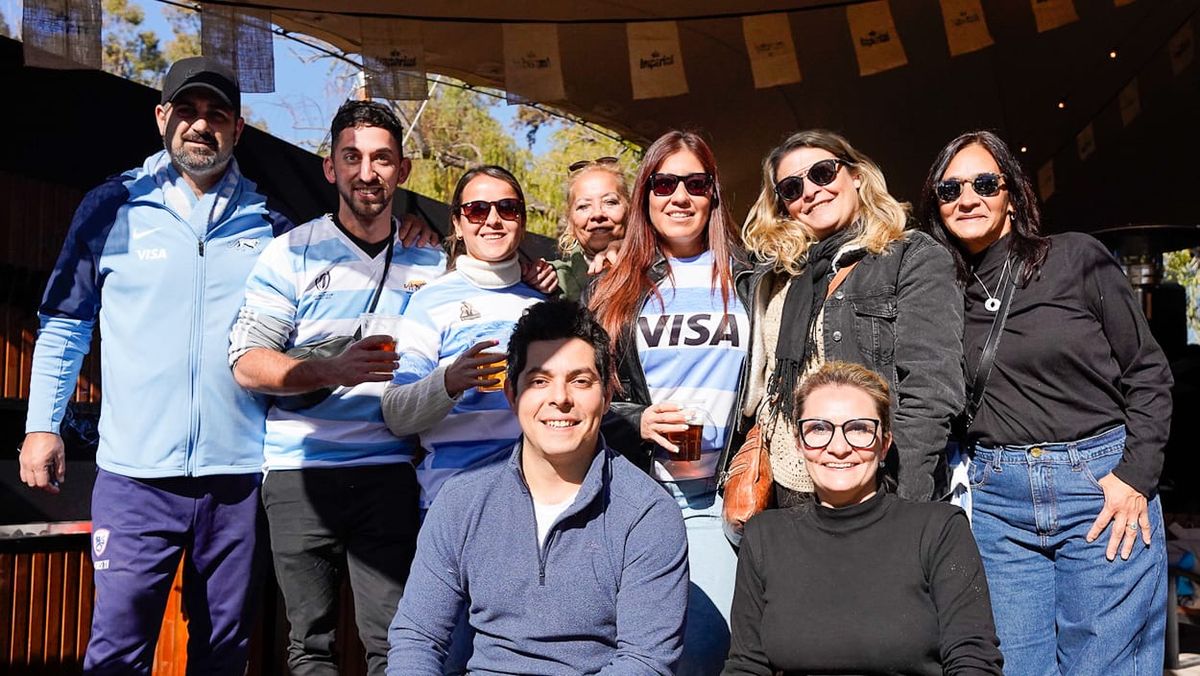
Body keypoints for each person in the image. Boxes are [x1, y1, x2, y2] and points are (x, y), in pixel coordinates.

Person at [15, 57, 284, 674]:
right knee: (117, 651)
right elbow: (65, 325)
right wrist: (40, 426)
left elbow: (330, 296)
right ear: (162, 117)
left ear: (238, 129)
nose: (200, 125)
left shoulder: (271, 225)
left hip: (238, 477)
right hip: (135, 479)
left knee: (224, 653)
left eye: (217, 114)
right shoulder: (112, 205)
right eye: (186, 110)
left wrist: (419, 247)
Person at [918, 130, 1172, 674]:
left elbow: (1148, 372)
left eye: (985, 182)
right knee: (1012, 666)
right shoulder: (937, 292)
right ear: (935, 205)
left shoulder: (1076, 258)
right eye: (950, 188)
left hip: (1101, 489)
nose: (968, 198)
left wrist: (1136, 477)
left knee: (1106, 665)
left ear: (1012, 192)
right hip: (997, 502)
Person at [228, 100, 446, 675]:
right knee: (309, 645)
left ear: (403, 170)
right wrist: (331, 371)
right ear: (330, 168)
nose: (366, 172)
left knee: (397, 642)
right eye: (351, 157)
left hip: (392, 472)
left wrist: (535, 270)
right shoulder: (290, 253)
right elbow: (247, 363)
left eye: (381, 158)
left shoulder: (433, 258)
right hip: (299, 474)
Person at [387, 299, 689, 675]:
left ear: (607, 397)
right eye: (539, 381)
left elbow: (646, 661)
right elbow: (417, 638)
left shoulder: (647, 513)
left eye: (580, 381)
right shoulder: (462, 500)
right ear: (512, 396)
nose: (560, 399)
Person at [722, 360, 1003, 675]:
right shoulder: (765, 537)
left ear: (884, 444)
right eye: (818, 428)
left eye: (858, 429)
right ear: (800, 443)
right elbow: (746, 665)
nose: (838, 447)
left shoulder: (938, 531)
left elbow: (973, 661)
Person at [587, 130, 748, 675]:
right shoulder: (613, 287)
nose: (679, 196)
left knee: (706, 653)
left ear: (713, 195)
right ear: (645, 196)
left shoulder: (752, 278)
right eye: (664, 183)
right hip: (638, 498)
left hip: (719, 499)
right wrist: (637, 420)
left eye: (695, 183)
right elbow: (583, 401)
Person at [736, 129, 963, 508]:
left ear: (855, 176)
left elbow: (931, 390)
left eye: (822, 173)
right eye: (791, 188)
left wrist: (904, 503)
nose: (809, 191)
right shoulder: (774, 275)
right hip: (785, 493)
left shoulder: (910, 257)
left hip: (872, 486)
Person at [382, 165, 546, 510]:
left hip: (534, 504)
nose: (492, 220)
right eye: (476, 210)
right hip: (451, 504)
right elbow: (396, 414)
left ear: (522, 220)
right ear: (457, 223)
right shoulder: (430, 300)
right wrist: (448, 383)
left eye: (507, 208)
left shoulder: (543, 305)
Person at [549, 156, 629, 301]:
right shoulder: (551, 280)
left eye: (609, 202)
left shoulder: (660, 266)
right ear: (570, 219)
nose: (597, 214)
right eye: (584, 206)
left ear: (630, 210)